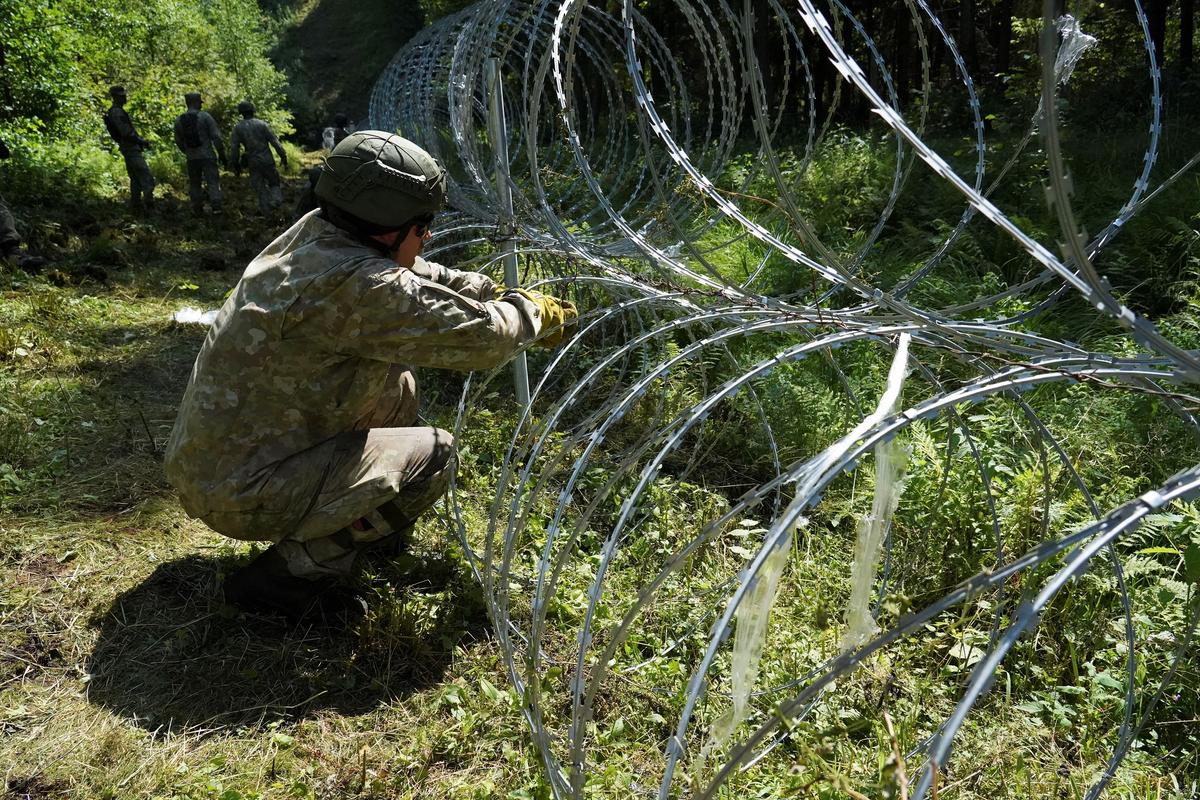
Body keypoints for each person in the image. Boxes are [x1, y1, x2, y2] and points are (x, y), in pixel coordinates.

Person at [164, 131, 577, 617]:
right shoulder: (353, 286)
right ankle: (290, 576)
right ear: (387, 230)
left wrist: (487, 288)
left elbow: (419, 275)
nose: (427, 238)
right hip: (237, 492)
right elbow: (480, 339)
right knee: (435, 456)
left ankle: (354, 525)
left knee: (395, 384)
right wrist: (530, 314)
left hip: (221, 460)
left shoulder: (318, 233)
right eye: (422, 227)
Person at [230, 100, 288, 217]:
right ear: (253, 111)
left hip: (252, 162)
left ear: (241, 113)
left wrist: (235, 163)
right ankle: (276, 202)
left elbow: (234, 148)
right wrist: (283, 155)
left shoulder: (238, 128)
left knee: (260, 187)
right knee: (274, 182)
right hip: (267, 159)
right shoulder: (262, 124)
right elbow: (274, 141)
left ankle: (266, 213)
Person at [102, 85, 155, 212]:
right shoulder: (117, 112)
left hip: (129, 147)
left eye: (124, 95)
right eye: (121, 96)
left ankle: (136, 206)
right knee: (146, 176)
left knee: (135, 179)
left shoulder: (116, 111)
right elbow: (126, 132)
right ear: (115, 97)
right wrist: (141, 141)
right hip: (130, 147)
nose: (124, 97)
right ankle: (149, 205)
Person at [173, 92, 227, 215]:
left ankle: (197, 207)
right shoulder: (205, 117)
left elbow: (178, 140)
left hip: (191, 157)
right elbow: (216, 137)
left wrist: (186, 151)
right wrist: (221, 154)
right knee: (213, 181)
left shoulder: (179, 120)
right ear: (195, 102)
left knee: (195, 183)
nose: (201, 105)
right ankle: (216, 206)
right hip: (207, 155)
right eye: (199, 102)